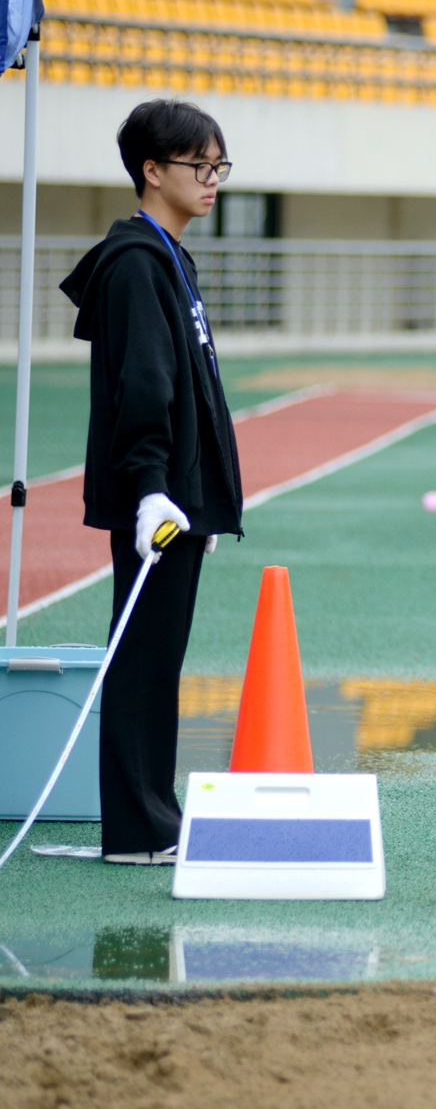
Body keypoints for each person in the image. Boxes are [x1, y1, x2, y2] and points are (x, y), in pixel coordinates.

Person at [57, 99, 243, 865]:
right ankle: (137, 829)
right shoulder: (136, 261)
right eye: (200, 165)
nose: (213, 180)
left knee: (159, 656)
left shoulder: (171, 253)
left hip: (180, 489)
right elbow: (144, 382)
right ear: (152, 169)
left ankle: (152, 814)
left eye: (220, 166)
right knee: (140, 656)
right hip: (157, 496)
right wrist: (150, 485)